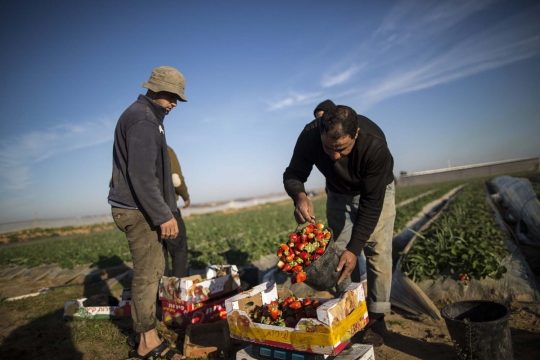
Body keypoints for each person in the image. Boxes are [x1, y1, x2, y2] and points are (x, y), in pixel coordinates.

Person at [283, 104, 395, 347]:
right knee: (336, 251)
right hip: (337, 193)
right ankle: (349, 308)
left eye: (341, 149)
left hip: (376, 193)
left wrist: (355, 249)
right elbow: (293, 173)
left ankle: (376, 315)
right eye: (328, 148)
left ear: (355, 134)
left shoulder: (375, 146)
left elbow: (372, 204)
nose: (334, 156)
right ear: (321, 132)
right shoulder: (310, 136)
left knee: (378, 252)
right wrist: (300, 196)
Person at [108, 66, 187, 359]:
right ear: (155, 89)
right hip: (138, 210)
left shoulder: (150, 117)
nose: (175, 103)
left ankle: (148, 335)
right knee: (148, 273)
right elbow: (141, 176)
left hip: (141, 208)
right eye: (172, 96)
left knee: (151, 270)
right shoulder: (143, 120)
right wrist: (163, 214)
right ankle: (146, 343)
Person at [163, 145, 190, 278]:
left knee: (158, 254)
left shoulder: (130, 147)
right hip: (165, 207)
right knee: (179, 248)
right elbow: (176, 178)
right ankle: (180, 293)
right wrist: (185, 195)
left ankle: (159, 295)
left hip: (142, 210)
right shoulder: (163, 147)